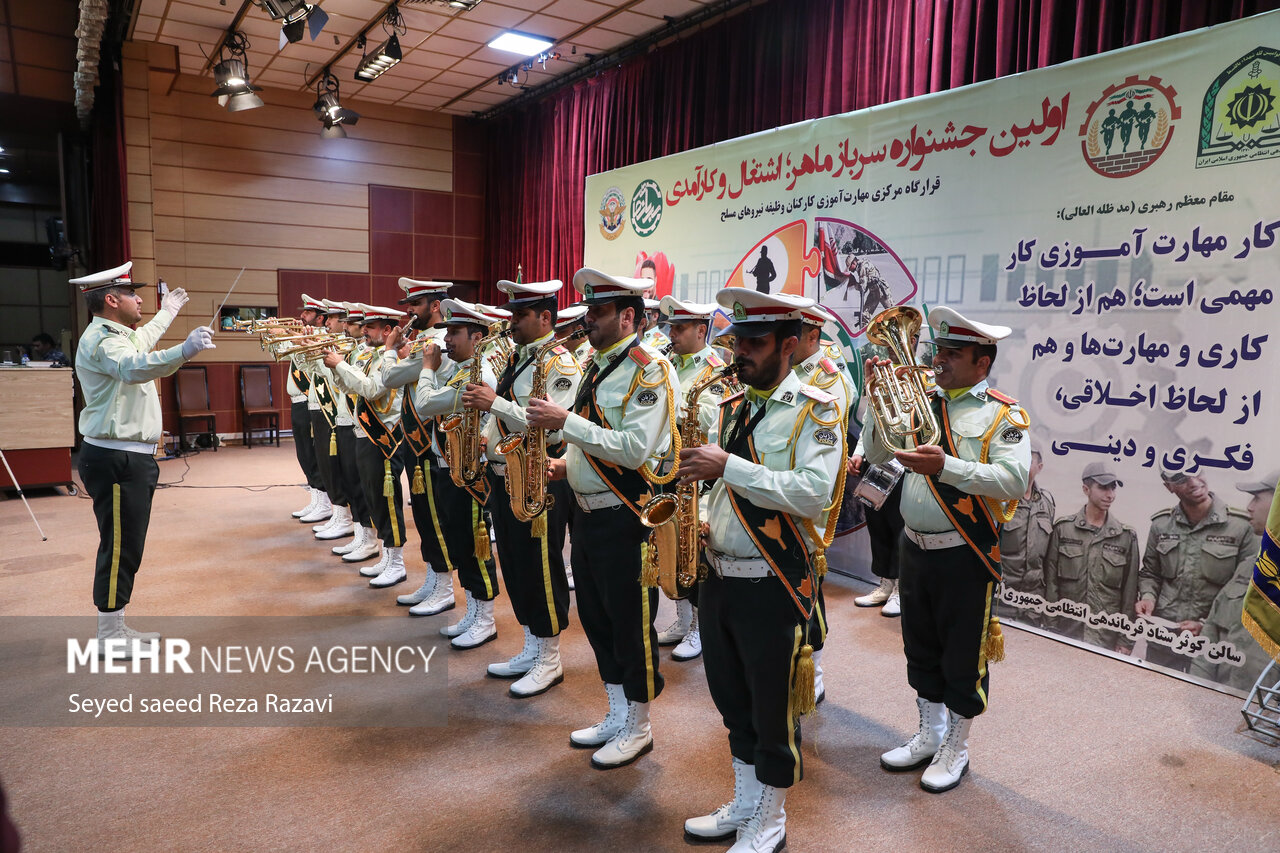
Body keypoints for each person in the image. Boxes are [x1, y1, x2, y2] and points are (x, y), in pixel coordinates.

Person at [679, 289, 842, 852]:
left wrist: (728, 464)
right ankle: (747, 803)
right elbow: (718, 490)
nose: (739, 352)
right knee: (732, 701)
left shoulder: (817, 409)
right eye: (737, 341)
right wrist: (702, 516)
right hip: (719, 577)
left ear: (788, 345)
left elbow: (814, 494)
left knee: (772, 710)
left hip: (773, 583)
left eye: (754, 342)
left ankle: (771, 820)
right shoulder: (731, 405)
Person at [866, 305, 1030, 794]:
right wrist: (877, 402)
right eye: (938, 350)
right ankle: (930, 733)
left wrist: (947, 467)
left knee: (962, 655)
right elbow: (877, 455)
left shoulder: (1003, 414)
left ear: (982, 362)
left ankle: (957, 746)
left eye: (953, 353)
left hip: (964, 552)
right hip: (914, 547)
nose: (938, 360)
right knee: (920, 647)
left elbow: (1013, 480)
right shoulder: (919, 400)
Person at [528, 267, 679, 769]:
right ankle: (617, 712)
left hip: (626, 517)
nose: (587, 319)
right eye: (589, 310)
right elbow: (592, 441)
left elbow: (633, 450)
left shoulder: (649, 369)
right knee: (596, 618)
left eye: (598, 311)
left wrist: (565, 421)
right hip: (587, 513)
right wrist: (564, 465)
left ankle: (640, 725)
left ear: (628, 317)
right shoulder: (596, 364)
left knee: (630, 624)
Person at [72, 260, 216, 651]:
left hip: (126, 457)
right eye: (132, 293)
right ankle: (109, 634)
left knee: (127, 543)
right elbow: (133, 367)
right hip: (117, 459)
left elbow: (142, 342)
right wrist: (184, 351)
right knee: (121, 545)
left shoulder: (117, 334)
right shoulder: (104, 341)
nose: (139, 300)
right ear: (112, 299)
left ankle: (114, 627)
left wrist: (168, 313)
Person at [463, 279, 581, 694]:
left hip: (541, 477)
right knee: (515, 564)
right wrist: (486, 436)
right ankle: (533, 645)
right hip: (507, 473)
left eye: (520, 315)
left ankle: (550, 657)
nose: (511, 322)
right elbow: (508, 415)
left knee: (541, 567)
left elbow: (552, 427)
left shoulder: (561, 363)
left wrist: (493, 403)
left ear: (545, 318)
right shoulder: (520, 356)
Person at [411, 299, 507, 650]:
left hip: (470, 474)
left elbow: (424, 405)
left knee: (472, 545)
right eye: (447, 331)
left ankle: (485, 618)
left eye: (454, 332)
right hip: (450, 466)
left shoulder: (476, 376)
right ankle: (473, 610)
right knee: (459, 543)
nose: (447, 339)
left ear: (477, 338)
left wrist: (426, 367)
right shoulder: (458, 369)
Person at [652, 295, 736, 661]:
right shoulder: (667, 362)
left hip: (697, 473)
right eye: (671, 327)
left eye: (680, 328)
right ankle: (683, 617)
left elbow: (713, 422)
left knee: (695, 548)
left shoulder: (715, 371)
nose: (671, 334)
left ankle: (699, 626)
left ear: (702, 330)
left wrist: (669, 408)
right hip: (665, 466)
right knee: (671, 546)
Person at [381, 280, 461, 614]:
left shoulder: (435, 343)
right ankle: (433, 578)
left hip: (431, 441)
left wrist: (389, 349)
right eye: (409, 304)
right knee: (425, 517)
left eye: (417, 304)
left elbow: (389, 378)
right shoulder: (422, 341)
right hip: (417, 439)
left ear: (436, 306)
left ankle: (444, 588)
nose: (410, 311)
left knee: (434, 517)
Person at [793, 301, 855, 700]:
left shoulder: (828, 378)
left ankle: (812, 671)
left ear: (813, 336)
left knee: (808, 585)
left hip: (810, 493)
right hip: (778, 488)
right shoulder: (783, 371)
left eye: (793, 334)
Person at [1137, 468, 1259, 672]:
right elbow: (1150, 573)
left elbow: (1247, 591)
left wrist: (1204, 624)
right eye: (1182, 479)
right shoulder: (1161, 524)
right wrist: (1148, 597)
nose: (1194, 482)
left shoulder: (1241, 526)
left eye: (1196, 472)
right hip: (1165, 638)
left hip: (1211, 644)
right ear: (1169, 487)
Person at [324, 305, 409, 587]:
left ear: (387, 330)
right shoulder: (371, 355)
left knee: (386, 501)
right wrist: (337, 368)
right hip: (364, 432)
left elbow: (373, 390)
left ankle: (397, 562)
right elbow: (351, 389)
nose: (364, 331)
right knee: (372, 498)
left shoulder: (390, 359)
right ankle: (386, 555)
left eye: (370, 327)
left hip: (383, 437)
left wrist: (341, 365)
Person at [1191, 470, 1278, 690]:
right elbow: (1211, 632)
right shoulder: (1249, 566)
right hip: (1220, 697)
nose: (1249, 507)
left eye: (1256, 498)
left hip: (1264, 708)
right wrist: (1197, 688)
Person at [1043, 462, 1139, 650]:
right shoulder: (1064, 529)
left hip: (1105, 637)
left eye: (1113, 488)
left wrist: (1125, 640)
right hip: (1066, 632)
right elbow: (1051, 584)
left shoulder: (1126, 537)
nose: (1110, 494)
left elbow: (1130, 594)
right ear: (1086, 489)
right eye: (1103, 487)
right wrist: (1050, 628)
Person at [327, 304, 378, 560]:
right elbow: (342, 386)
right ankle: (360, 535)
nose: (345, 326)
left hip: (364, 424)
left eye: (353, 323)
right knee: (352, 482)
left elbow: (366, 387)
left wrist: (339, 365)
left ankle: (369, 540)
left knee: (363, 486)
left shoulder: (371, 354)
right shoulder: (355, 351)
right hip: (348, 419)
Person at [307, 300, 356, 543]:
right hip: (332, 411)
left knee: (344, 472)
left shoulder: (349, 348)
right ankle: (339, 514)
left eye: (333, 318)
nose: (327, 322)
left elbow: (335, 378)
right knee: (326, 464)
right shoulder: (338, 345)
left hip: (344, 414)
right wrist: (308, 351)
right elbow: (315, 372)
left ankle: (346, 519)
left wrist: (326, 358)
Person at [999, 440, 1055, 625]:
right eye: (1018, 458)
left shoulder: (1046, 504)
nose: (1022, 464)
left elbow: (1047, 560)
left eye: (1028, 460)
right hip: (1001, 600)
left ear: (1039, 467)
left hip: (1032, 605)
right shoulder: (999, 499)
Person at [288, 294, 329, 522]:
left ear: (320, 319)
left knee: (314, 454)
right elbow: (279, 354)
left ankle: (324, 502)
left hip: (310, 399)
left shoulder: (321, 338)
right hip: (298, 400)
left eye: (308, 312)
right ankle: (315, 498)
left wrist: (296, 339)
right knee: (303, 453)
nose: (302, 316)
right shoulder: (303, 334)